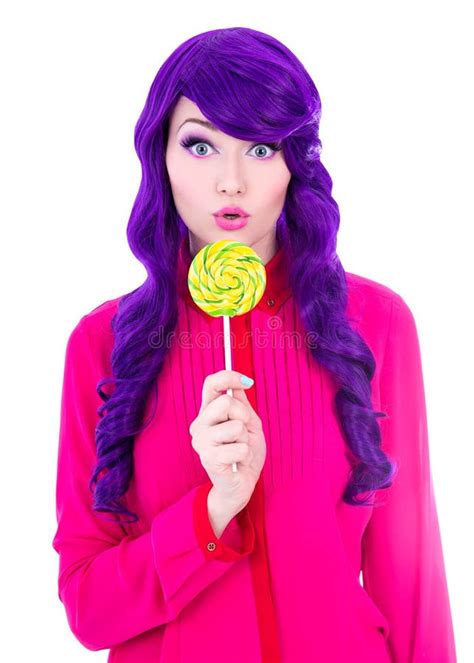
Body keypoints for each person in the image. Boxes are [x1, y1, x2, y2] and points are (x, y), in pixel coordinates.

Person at [51, 26, 457, 662]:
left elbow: (410, 579)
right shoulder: (105, 343)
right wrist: (211, 513)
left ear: (296, 161)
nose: (231, 182)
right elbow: (88, 610)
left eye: (262, 148)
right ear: (160, 154)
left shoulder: (375, 323)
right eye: (201, 145)